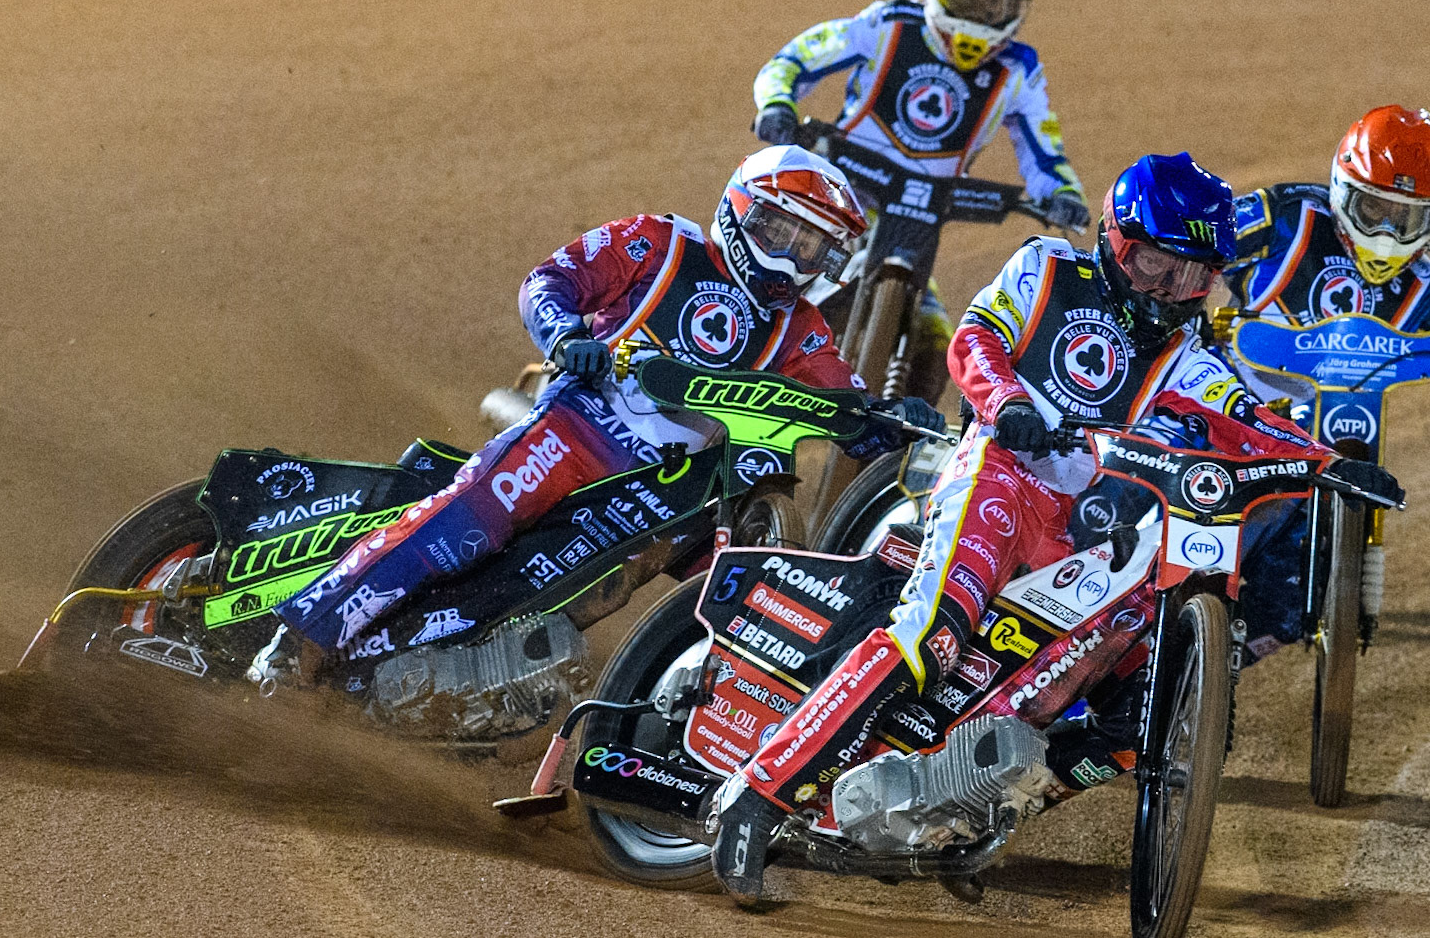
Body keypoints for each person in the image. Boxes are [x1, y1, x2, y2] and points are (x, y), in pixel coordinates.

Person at [707, 152, 1404, 896]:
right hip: (998, 478)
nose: (1166, 290)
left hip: (1080, 527)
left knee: (1139, 711)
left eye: (1190, 277)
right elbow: (974, 338)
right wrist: (1007, 402)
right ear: (1114, 239)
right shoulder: (1045, 268)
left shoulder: (1187, 354)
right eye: (1153, 265)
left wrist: (1327, 463)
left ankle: (965, 812)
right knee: (930, 635)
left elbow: (1243, 416)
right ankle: (757, 795)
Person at [272, 146, 943, 653]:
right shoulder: (660, 242)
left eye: (810, 247)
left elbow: (845, 403)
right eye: (780, 233)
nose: (790, 257)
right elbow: (550, 280)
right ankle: (300, 637)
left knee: (728, 601)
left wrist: (895, 420)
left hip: (671, 494)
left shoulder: (801, 328)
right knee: (471, 521)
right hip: (578, 428)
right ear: (742, 210)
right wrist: (566, 336)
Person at [1220, 106, 1430, 659]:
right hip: (1211, 406)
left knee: (1300, 595)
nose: (1388, 233)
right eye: (1375, 209)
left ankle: (1207, 671)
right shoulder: (1284, 218)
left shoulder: (1428, 287)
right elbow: (1189, 245)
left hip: (1313, 447)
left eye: (1409, 218)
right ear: (1343, 188)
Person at [749, 0, 1090, 399]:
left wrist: (1061, 194)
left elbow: (1042, 145)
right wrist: (777, 106)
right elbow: (796, 59)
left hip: (918, 218)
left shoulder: (1018, 71)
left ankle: (891, 447)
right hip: (831, 199)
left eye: (995, 4)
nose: (978, 16)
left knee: (934, 353)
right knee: (769, 301)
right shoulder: (888, 25)